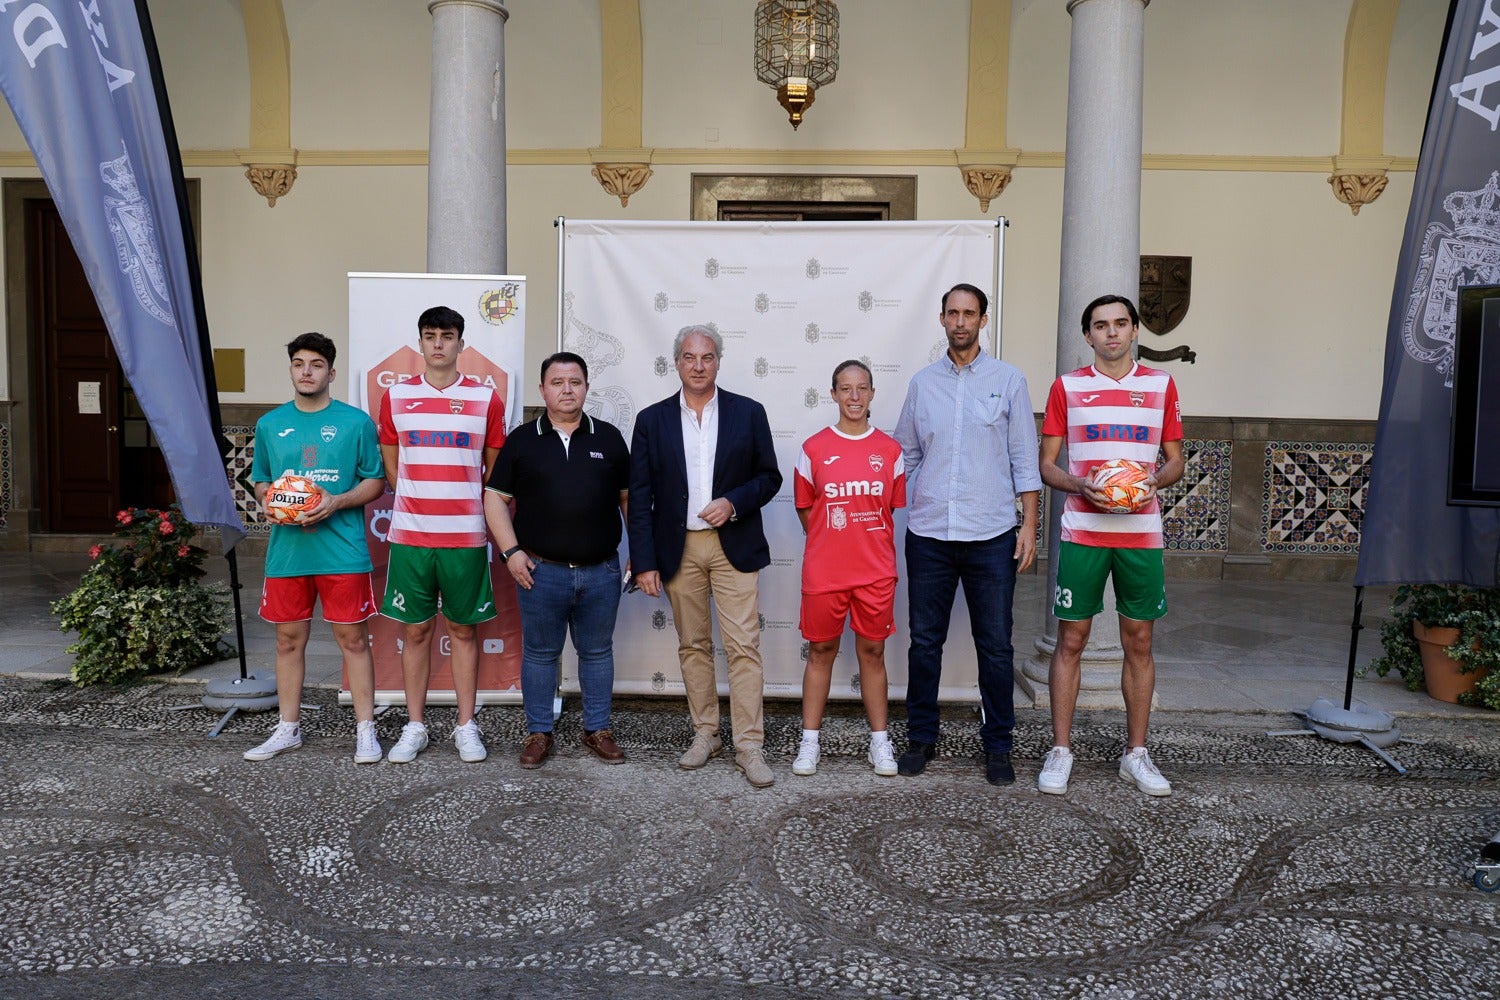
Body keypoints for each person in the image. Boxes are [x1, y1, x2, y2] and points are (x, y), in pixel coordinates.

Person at [892, 282, 1041, 786]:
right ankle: (921, 739)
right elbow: (905, 456)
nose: (960, 321)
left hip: (992, 533)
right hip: (930, 533)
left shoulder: (1010, 381)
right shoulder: (921, 384)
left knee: (996, 645)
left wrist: (1029, 528)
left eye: (969, 313)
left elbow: (1024, 459)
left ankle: (999, 746)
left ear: (983, 319)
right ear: (941, 319)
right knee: (924, 643)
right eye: (952, 313)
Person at [1037, 293, 1184, 797]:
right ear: (1088, 335)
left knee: (1139, 641)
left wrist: (1150, 484)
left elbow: (1175, 461)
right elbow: (1047, 465)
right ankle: (1060, 750)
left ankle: (1136, 754)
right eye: (1101, 325)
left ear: (1136, 329)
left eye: (1121, 323)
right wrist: (1082, 486)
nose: (1112, 333)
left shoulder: (1162, 385)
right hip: (1083, 532)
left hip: (1140, 535)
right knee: (1071, 640)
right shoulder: (1068, 387)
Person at [627, 324, 783, 788]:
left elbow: (769, 477)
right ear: (676, 362)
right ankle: (705, 733)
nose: (699, 365)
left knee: (743, 647)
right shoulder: (651, 420)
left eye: (707, 357)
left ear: (719, 361)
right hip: (679, 548)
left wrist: (733, 502)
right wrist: (645, 560)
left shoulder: (748, 412)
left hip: (732, 542)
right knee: (692, 644)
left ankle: (749, 746)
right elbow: (640, 495)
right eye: (690, 357)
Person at [245, 333, 387, 763]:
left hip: (342, 549)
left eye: (316, 364)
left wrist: (336, 502)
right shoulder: (270, 424)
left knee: (354, 640)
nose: (307, 371)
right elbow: (261, 479)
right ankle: (288, 728)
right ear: (290, 369)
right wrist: (270, 501)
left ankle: (366, 730)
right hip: (288, 552)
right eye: (299, 363)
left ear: (331, 372)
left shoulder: (355, 422)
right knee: (288, 640)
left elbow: (375, 481)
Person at [483, 352, 630, 769]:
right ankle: (538, 732)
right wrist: (511, 552)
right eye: (558, 382)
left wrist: (641, 551)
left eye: (575, 382)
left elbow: (628, 499)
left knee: (597, 652)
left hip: (601, 571)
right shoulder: (523, 440)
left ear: (586, 387)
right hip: (540, 572)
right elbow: (495, 498)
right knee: (540, 654)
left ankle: (597, 729)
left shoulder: (610, 438)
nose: (567, 390)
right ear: (543, 389)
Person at [376, 305, 506, 764]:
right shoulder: (394, 398)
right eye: (429, 335)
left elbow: (493, 469)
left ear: (460, 345)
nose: (437, 343)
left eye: (446, 336)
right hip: (411, 536)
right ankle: (415, 726)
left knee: (463, 631)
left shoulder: (486, 399)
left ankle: (466, 726)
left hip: (466, 537)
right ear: (419, 343)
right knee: (415, 632)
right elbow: (392, 466)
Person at [792, 360, 907, 777]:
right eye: (845, 388)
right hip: (825, 573)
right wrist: (831, 544)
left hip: (876, 572)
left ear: (873, 393)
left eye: (862, 388)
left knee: (873, 653)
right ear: (834, 394)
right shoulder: (813, 449)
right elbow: (808, 511)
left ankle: (880, 743)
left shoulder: (890, 452)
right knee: (821, 651)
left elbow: (890, 509)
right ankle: (809, 743)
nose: (854, 396)